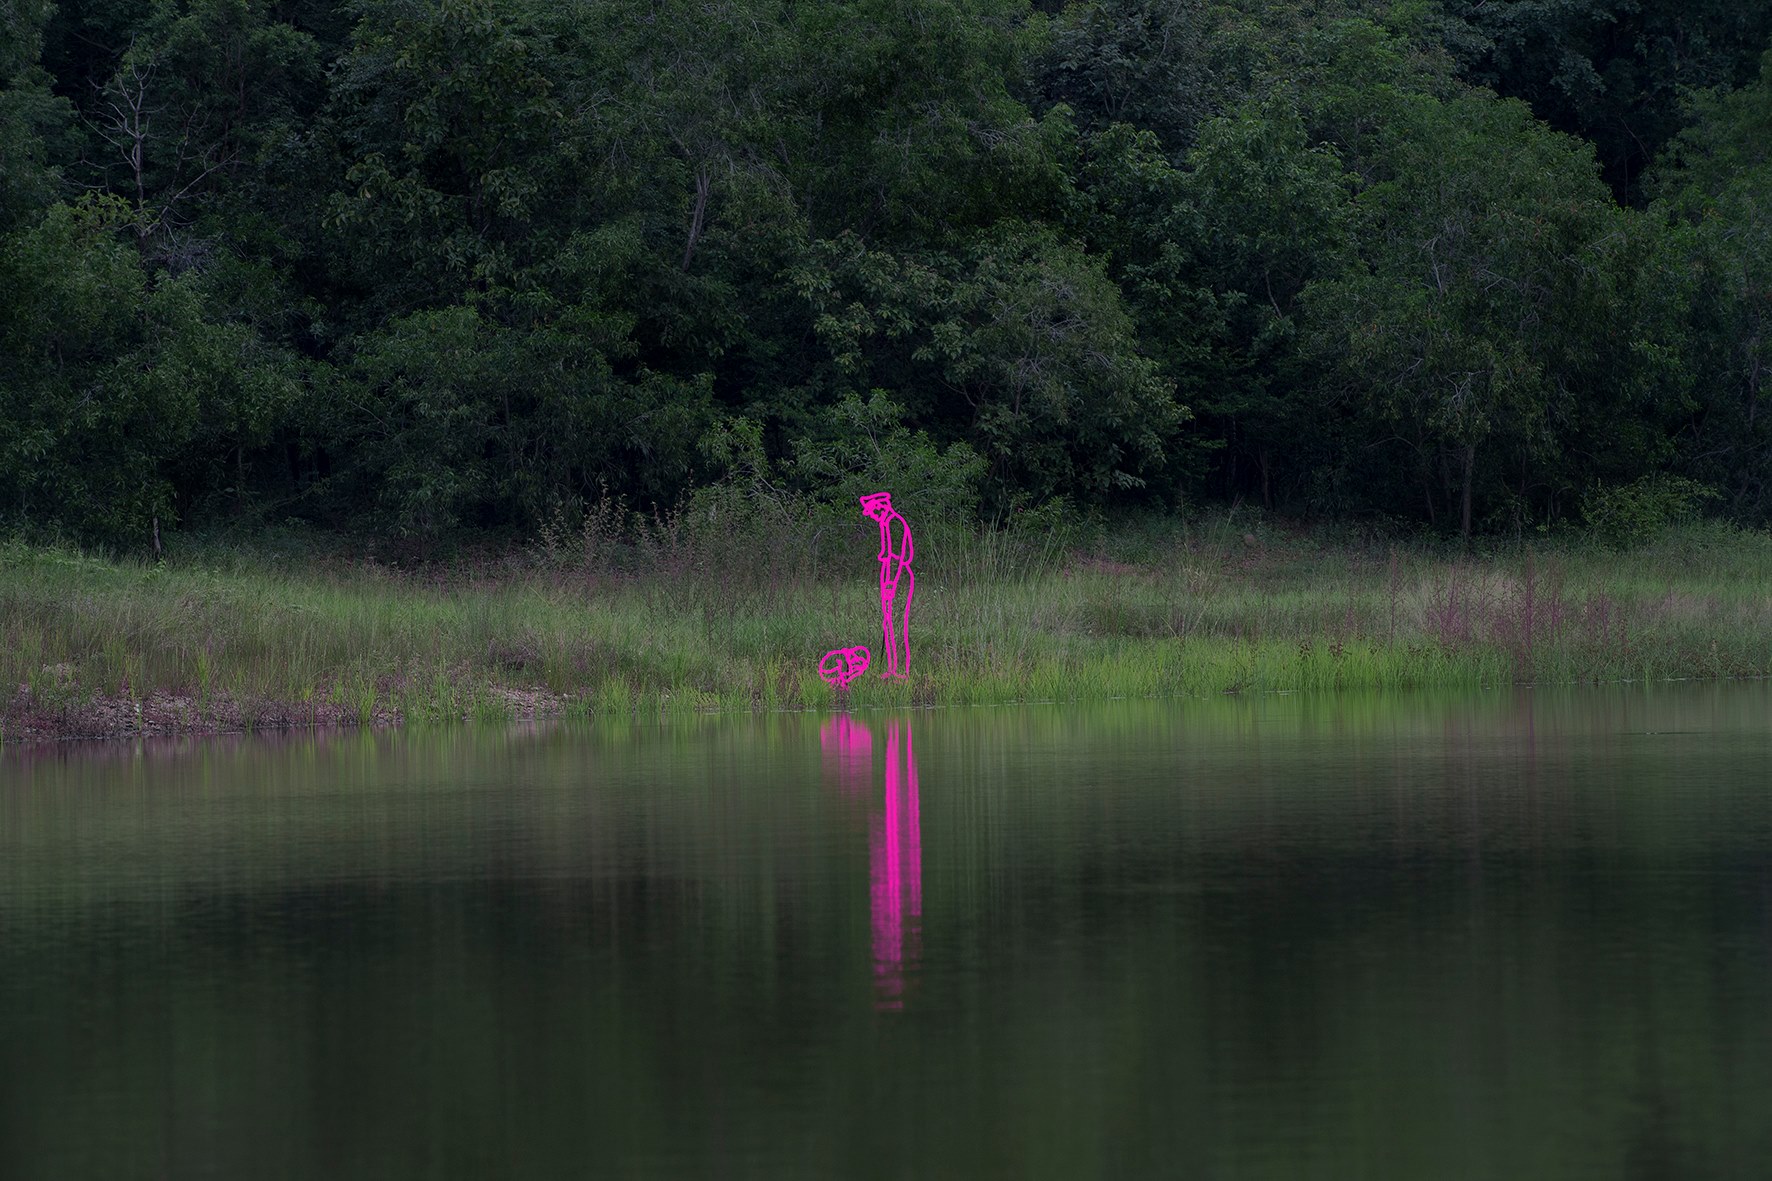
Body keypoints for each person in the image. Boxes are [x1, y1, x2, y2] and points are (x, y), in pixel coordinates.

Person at [859, 492, 913, 679]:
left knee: (897, 624)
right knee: (888, 623)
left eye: (873, 512)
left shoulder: (894, 523)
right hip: (888, 578)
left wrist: (892, 585)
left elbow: (898, 559)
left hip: (898, 578)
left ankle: (902, 672)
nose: (872, 516)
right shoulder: (885, 524)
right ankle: (892, 668)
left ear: (881, 507)